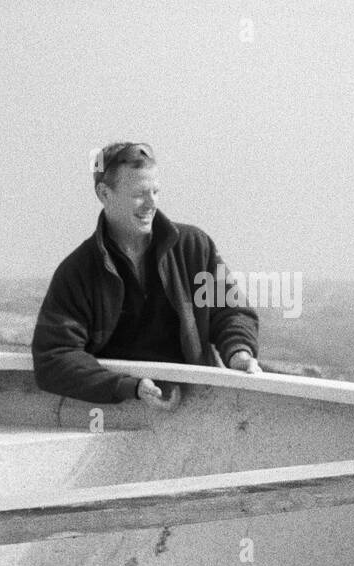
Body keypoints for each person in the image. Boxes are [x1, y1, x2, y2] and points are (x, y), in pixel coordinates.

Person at [33, 141, 260, 406]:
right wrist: (128, 387)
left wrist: (239, 352)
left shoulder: (194, 247)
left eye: (156, 191)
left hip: (199, 407)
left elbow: (231, 311)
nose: (152, 203)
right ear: (105, 194)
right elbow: (53, 356)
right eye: (140, 194)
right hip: (119, 411)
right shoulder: (77, 271)